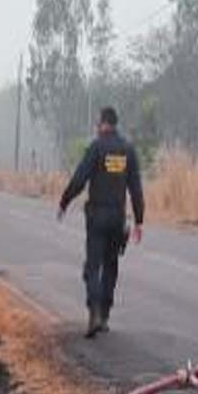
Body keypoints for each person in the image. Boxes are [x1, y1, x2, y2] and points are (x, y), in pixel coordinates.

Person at [59, 107, 145, 338]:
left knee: (92, 266)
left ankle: (94, 313)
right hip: (118, 218)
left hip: (97, 217)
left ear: (104, 123)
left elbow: (79, 178)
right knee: (111, 266)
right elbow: (136, 188)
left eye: (98, 122)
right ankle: (105, 315)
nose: (96, 126)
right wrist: (139, 220)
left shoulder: (96, 147)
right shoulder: (127, 150)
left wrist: (64, 202)